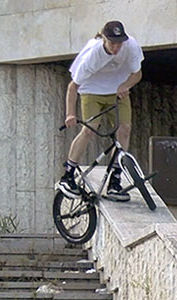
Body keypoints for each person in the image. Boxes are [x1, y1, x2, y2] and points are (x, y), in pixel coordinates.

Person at [57, 20, 144, 195]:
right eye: (112, 43)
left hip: (118, 90)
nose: (116, 47)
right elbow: (72, 87)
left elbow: (137, 74)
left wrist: (125, 85)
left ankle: (115, 179)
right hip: (92, 91)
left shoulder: (131, 46)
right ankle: (68, 175)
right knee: (89, 130)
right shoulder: (93, 55)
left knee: (125, 129)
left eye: (119, 43)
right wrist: (70, 114)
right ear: (104, 39)